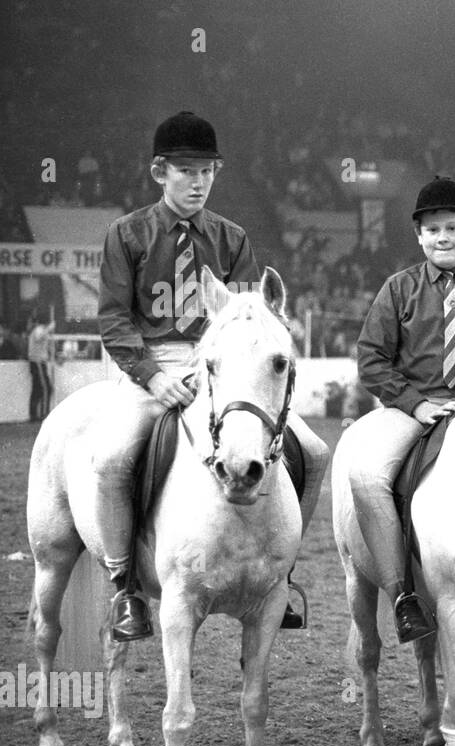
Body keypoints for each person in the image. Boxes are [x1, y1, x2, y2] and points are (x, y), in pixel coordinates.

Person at [94, 111, 329, 642]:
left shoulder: (231, 237)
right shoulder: (127, 235)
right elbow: (113, 317)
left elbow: (250, 319)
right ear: (159, 172)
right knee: (111, 461)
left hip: (219, 372)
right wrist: (153, 376)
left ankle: (281, 573)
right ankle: (125, 586)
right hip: (148, 368)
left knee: (313, 452)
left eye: (207, 171)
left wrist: (221, 372)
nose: (198, 181)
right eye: (185, 170)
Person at [349, 177, 455, 644]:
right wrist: (415, 403)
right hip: (412, 407)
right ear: (418, 236)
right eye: (432, 230)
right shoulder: (398, 288)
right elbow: (371, 358)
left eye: (451, 228)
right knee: (366, 477)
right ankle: (403, 594)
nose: (442, 238)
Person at [27, 312, 55, 421]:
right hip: (38, 362)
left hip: (36, 362)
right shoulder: (39, 330)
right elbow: (39, 336)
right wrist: (49, 328)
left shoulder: (38, 330)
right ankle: (44, 414)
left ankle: (34, 415)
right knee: (46, 389)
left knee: (37, 389)